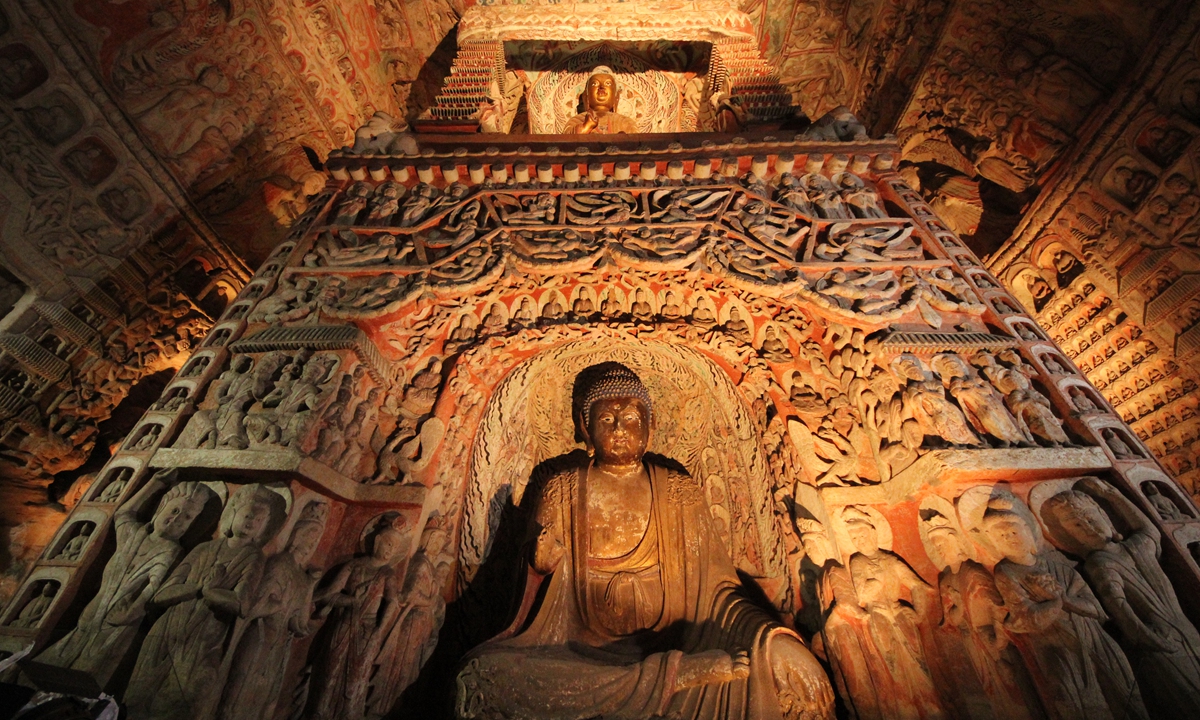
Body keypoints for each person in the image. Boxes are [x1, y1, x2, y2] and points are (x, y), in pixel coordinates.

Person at [454, 362, 834, 720]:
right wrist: (539, 566)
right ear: (585, 429)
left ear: (650, 428)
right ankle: (673, 677)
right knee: (484, 676)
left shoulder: (679, 494)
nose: (619, 427)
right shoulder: (563, 490)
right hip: (582, 658)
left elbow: (719, 596)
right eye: (606, 419)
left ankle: (666, 675)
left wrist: (772, 639)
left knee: (771, 668)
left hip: (675, 642)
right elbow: (531, 614)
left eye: (632, 418)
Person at [563, 68, 639, 134]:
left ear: (616, 97)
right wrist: (586, 127)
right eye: (594, 84)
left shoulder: (625, 122)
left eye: (608, 83)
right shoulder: (578, 120)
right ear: (586, 96)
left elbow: (636, 144)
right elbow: (567, 142)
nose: (601, 87)